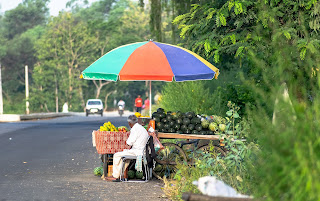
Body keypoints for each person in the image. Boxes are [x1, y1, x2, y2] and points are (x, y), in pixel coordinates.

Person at [106, 115, 149, 181]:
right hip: (142, 151)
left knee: (116, 155)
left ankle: (115, 176)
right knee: (125, 158)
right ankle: (119, 175)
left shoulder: (135, 129)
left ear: (129, 123)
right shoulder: (141, 128)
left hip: (137, 152)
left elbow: (129, 142)